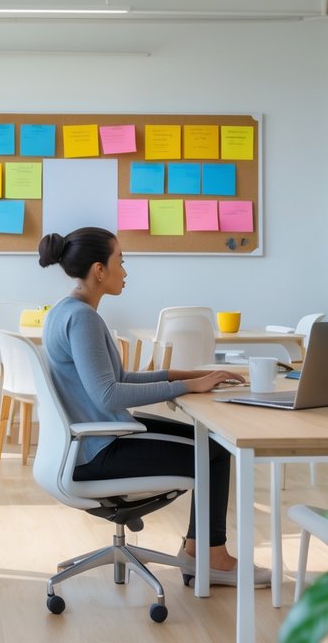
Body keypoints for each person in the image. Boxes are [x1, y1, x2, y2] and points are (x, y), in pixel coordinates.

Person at [37, 226, 270, 588]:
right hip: (99, 451)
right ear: (100, 269)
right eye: (121, 261)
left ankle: (199, 552)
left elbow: (118, 378)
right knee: (215, 452)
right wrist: (187, 386)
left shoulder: (65, 311)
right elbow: (109, 395)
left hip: (91, 440)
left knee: (210, 443)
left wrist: (189, 374)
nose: (125, 271)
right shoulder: (82, 319)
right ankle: (212, 557)